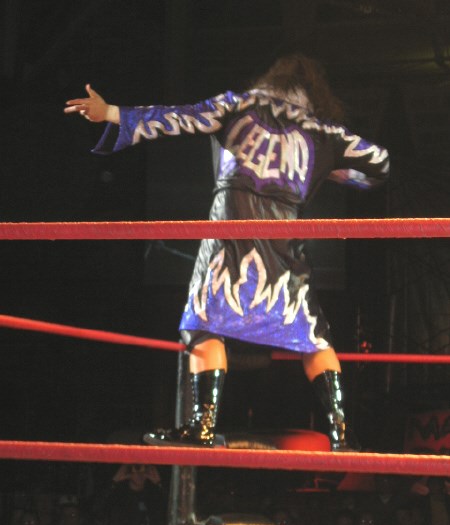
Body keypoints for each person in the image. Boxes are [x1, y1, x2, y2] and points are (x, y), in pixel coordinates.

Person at [65, 52, 389, 451]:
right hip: (284, 238)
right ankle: (341, 434)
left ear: (269, 80)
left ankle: (202, 427)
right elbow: (380, 163)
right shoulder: (322, 131)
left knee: (202, 323)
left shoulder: (238, 105)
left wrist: (112, 112)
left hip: (232, 228)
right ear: (314, 93)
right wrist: (335, 171)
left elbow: (179, 118)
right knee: (313, 335)